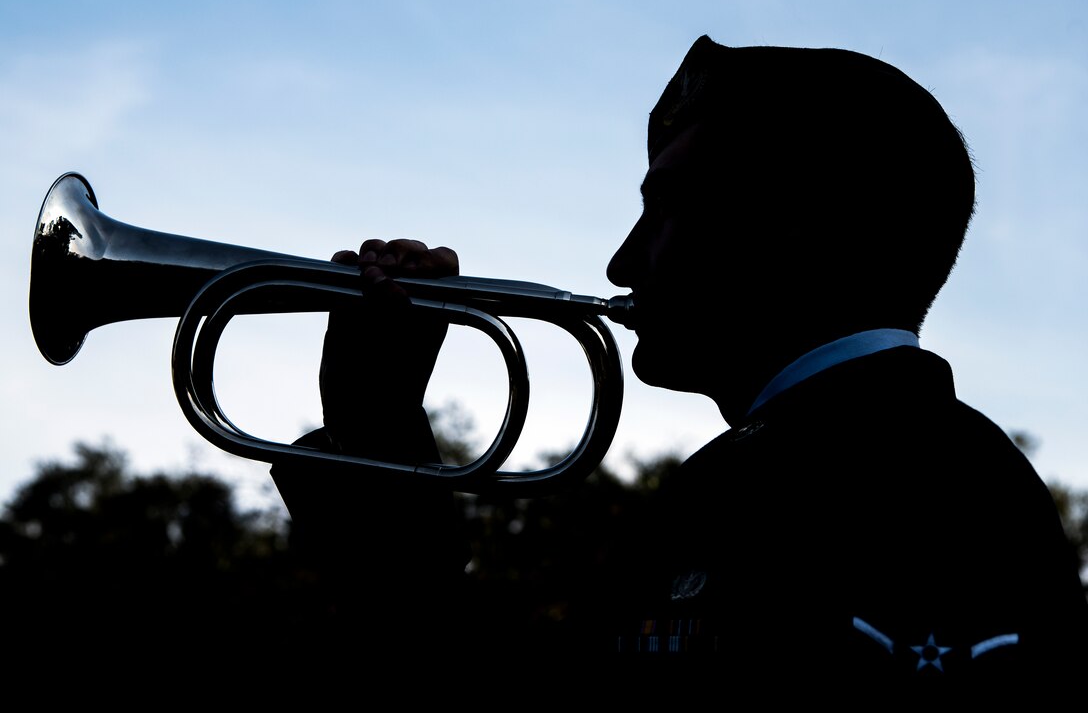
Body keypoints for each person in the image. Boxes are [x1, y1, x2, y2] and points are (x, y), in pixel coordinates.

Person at [269, 36, 1088, 693]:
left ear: (790, 224)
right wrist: (378, 430)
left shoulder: (933, 485)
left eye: (664, 210)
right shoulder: (769, 470)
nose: (621, 264)